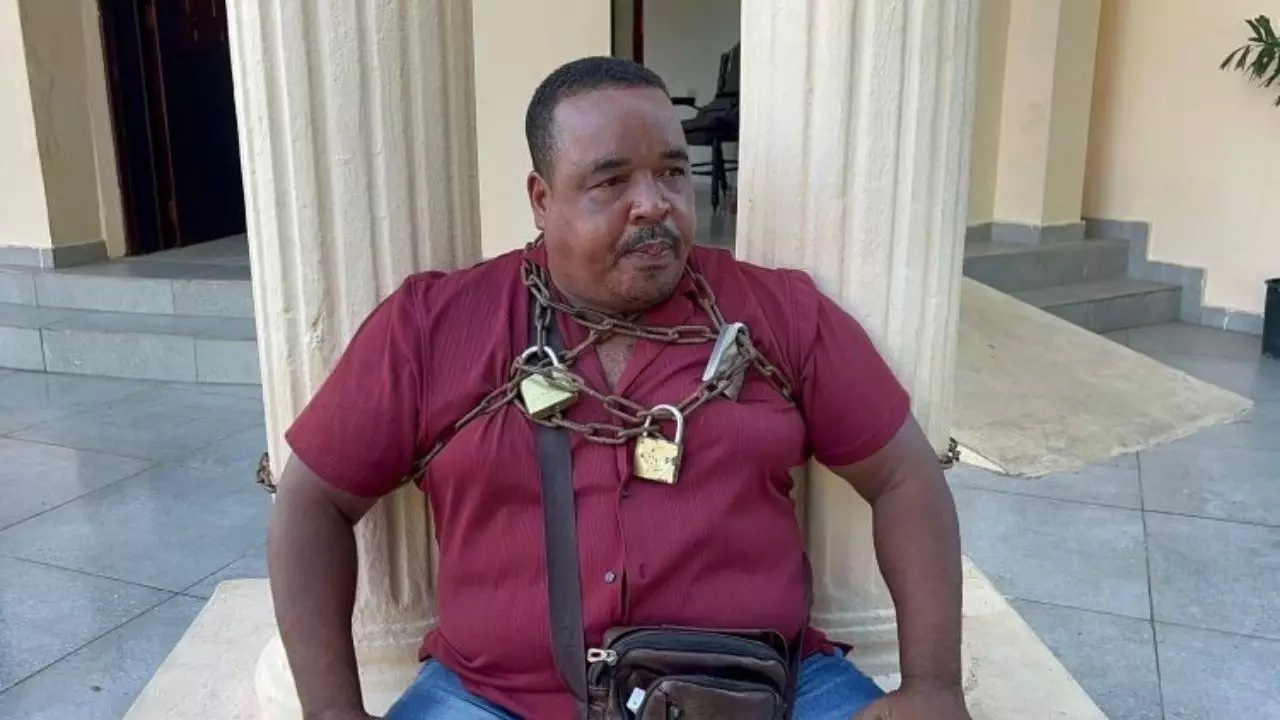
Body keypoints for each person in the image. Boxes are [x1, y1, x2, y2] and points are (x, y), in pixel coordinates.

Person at [267, 56, 969, 720]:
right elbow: (312, 500)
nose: (653, 204)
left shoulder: (779, 313)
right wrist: (332, 711)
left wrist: (933, 686)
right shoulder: (435, 326)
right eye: (611, 181)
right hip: (496, 698)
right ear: (542, 198)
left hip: (761, 692)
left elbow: (903, 474)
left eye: (672, 173)